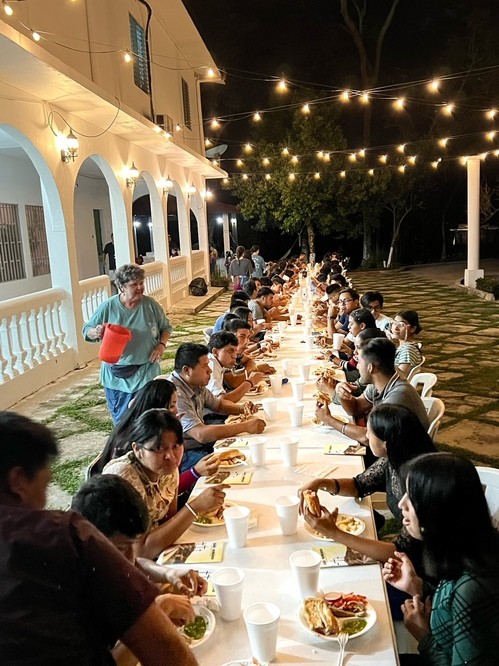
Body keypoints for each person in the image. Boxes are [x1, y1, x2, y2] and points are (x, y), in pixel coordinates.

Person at [0, 411, 196, 665]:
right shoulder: (62, 536)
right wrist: (159, 608)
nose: (45, 502)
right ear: (18, 481)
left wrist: (166, 574)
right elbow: (165, 648)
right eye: (46, 484)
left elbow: (123, 558)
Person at [383, 453, 499, 665]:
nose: (401, 504)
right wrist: (417, 587)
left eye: (412, 497)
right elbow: (451, 604)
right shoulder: (467, 548)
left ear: (437, 509)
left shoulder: (473, 587)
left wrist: (423, 635)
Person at [300, 404, 436, 564]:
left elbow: (401, 552)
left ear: (385, 443)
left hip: (428, 562)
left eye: (369, 433)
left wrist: (334, 533)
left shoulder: (418, 482)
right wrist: (322, 483)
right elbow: (360, 485)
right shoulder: (395, 458)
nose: (365, 436)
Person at [72, 474, 206, 615]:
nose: (131, 557)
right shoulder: (74, 586)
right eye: (121, 549)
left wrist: (168, 573)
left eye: (134, 544)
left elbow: (135, 562)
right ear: (90, 539)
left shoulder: (104, 555)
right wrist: (158, 608)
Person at [103, 408, 226, 559]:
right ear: (137, 449)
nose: (171, 456)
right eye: (159, 449)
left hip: (157, 552)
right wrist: (194, 508)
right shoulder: (123, 477)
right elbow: (139, 553)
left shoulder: (168, 469)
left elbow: (169, 520)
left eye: (176, 446)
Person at [94, 378, 219, 497]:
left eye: (175, 446)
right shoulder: (133, 448)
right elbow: (162, 491)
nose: (176, 410)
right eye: (171, 406)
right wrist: (194, 473)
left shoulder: (157, 432)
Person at [82, 263, 172, 424]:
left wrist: (161, 345)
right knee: (123, 422)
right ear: (122, 287)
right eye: (134, 285)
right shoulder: (109, 307)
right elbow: (86, 330)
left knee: (148, 419)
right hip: (117, 375)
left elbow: (166, 328)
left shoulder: (150, 305)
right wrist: (96, 332)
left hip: (146, 371)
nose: (140, 288)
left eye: (141, 283)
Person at [168, 343, 266, 472]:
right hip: (183, 453)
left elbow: (218, 404)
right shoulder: (175, 394)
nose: (210, 370)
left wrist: (242, 409)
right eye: (204, 366)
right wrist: (245, 427)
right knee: (236, 467)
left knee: (244, 452)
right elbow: (201, 434)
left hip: (199, 443)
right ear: (187, 370)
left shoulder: (194, 383)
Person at [315, 337, 429, 446]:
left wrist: (329, 420)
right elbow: (356, 409)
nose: (357, 367)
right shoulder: (381, 381)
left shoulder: (396, 397)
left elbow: (367, 438)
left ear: (370, 368)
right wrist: (342, 395)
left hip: (402, 456)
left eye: (359, 362)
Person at [207, 331, 265, 401]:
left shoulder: (218, 361)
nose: (234, 356)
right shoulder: (211, 366)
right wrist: (249, 382)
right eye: (230, 351)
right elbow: (221, 401)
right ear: (215, 352)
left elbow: (248, 360)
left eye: (235, 351)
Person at [390, 310, 423, 379]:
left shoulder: (407, 350)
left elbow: (400, 377)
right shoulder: (404, 347)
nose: (395, 328)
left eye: (401, 324)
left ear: (413, 329)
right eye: (394, 323)